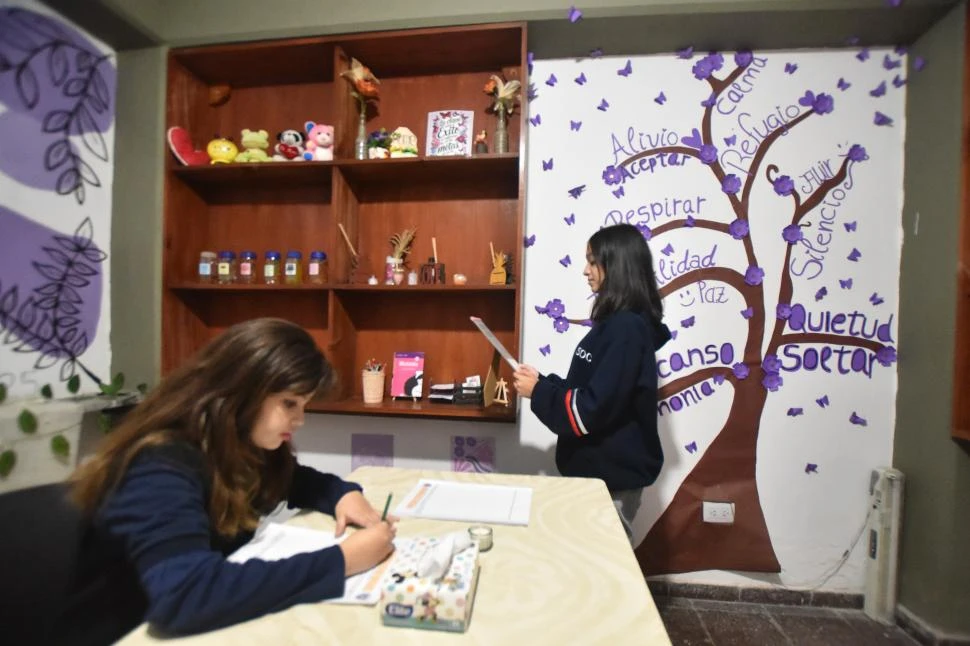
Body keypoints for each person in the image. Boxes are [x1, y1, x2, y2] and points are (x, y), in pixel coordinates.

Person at [64, 318, 397, 643]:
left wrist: (342, 494)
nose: (299, 420)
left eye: (303, 406)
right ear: (242, 390)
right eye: (289, 404)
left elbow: (296, 480)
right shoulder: (158, 465)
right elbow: (185, 595)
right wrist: (341, 561)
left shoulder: (238, 442)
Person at [513, 224, 671, 544]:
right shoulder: (615, 325)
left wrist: (538, 392)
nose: (586, 271)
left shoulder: (626, 329)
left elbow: (589, 411)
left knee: (602, 564)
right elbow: (588, 391)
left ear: (617, 265)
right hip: (599, 476)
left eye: (593, 261)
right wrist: (542, 382)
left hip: (611, 483)